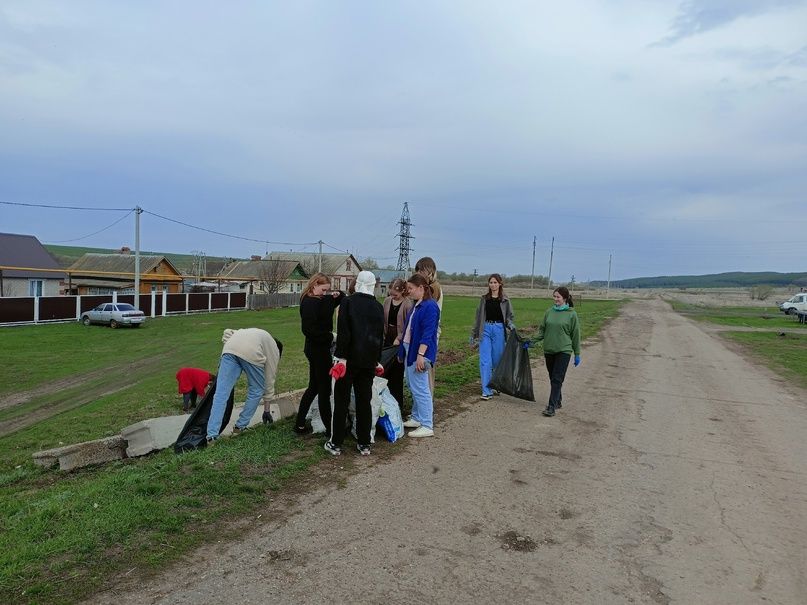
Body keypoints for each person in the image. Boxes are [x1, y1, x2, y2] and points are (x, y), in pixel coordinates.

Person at [325, 271, 385, 456]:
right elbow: (378, 336)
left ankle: (336, 443)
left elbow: (344, 332)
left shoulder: (348, 302)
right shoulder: (378, 306)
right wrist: (376, 360)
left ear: (357, 283)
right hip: (368, 360)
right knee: (364, 401)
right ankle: (364, 443)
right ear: (373, 285)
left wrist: (340, 357)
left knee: (341, 401)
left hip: (348, 359)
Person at [206, 328, 282, 443]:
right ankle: (239, 428)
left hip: (229, 348)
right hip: (251, 351)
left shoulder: (253, 333)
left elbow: (227, 333)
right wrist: (267, 410)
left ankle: (211, 436)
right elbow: (269, 379)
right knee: (256, 390)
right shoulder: (273, 349)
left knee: (221, 394)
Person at [294, 273, 344, 435]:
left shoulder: (321, 300)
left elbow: (337, 299)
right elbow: (308, 330)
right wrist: (331, 336)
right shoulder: (309, 303)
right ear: (314, 285)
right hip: (317, 349)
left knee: (314, 387)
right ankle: (331, 429)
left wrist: (338, 294)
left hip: (318, 348)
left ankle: (300, 424)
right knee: (323, 389)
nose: (325, 293)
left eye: (327, 290)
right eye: (323, 289)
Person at [398, 273, 440, 438]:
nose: (409, 292)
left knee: (421, 388)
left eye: (411, 289)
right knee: (413, 384)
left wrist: (421, 355)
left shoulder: (430, 307)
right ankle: (417, 417)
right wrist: (403, 351)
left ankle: (427, 424)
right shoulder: (418, 304)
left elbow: (428, 333)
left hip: (420, 352)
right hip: (411, 349)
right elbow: (409, 330)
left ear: (421, 288)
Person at [533, 286, 581, 417]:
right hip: (549, 350)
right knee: (552, 377)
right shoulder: (549, 312)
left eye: (558, 297)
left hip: (563, 350)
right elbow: (542, 330)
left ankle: (551, 406)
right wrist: (532, 341)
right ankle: (558, 400)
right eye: (554, 297)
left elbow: (575, 335)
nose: (555, 299)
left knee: (557, 378)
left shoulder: (571, 314)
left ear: (565, 298)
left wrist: (577, 353)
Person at [470, 274, 515, 400]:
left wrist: (510, 324)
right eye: (491, 282)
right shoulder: (484, 299)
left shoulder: (505, 300)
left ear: (500, 284)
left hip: (499, 329)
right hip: (485, 329)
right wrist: (474, 333)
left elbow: (509, 316)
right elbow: (478, 317)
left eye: (495, 282)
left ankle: (495, 384)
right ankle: (486, 390)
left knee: (496, 360)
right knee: (485, 361)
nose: (493, 285)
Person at [382, 278, 413, 412]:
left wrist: (399, 338)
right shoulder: (387, 301)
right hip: (387, 336)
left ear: (402, 291)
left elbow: (408, 325)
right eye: (391, 293)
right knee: (385, 370)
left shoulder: (407, 304)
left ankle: (398, 404)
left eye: (395, 294)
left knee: (397, 374)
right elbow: (384, 319)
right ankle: (386, 402)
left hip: (399, 338)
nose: (393, 296)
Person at [414, 257, 443, 391]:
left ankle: (427, 404)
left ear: (428, 271)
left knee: (426, 366)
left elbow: (424, 305)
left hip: (429, 331)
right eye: (417, 270)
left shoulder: (433, 288)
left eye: (421, 270)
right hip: (426, 330)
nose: (418, 273)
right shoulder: (429, 286)